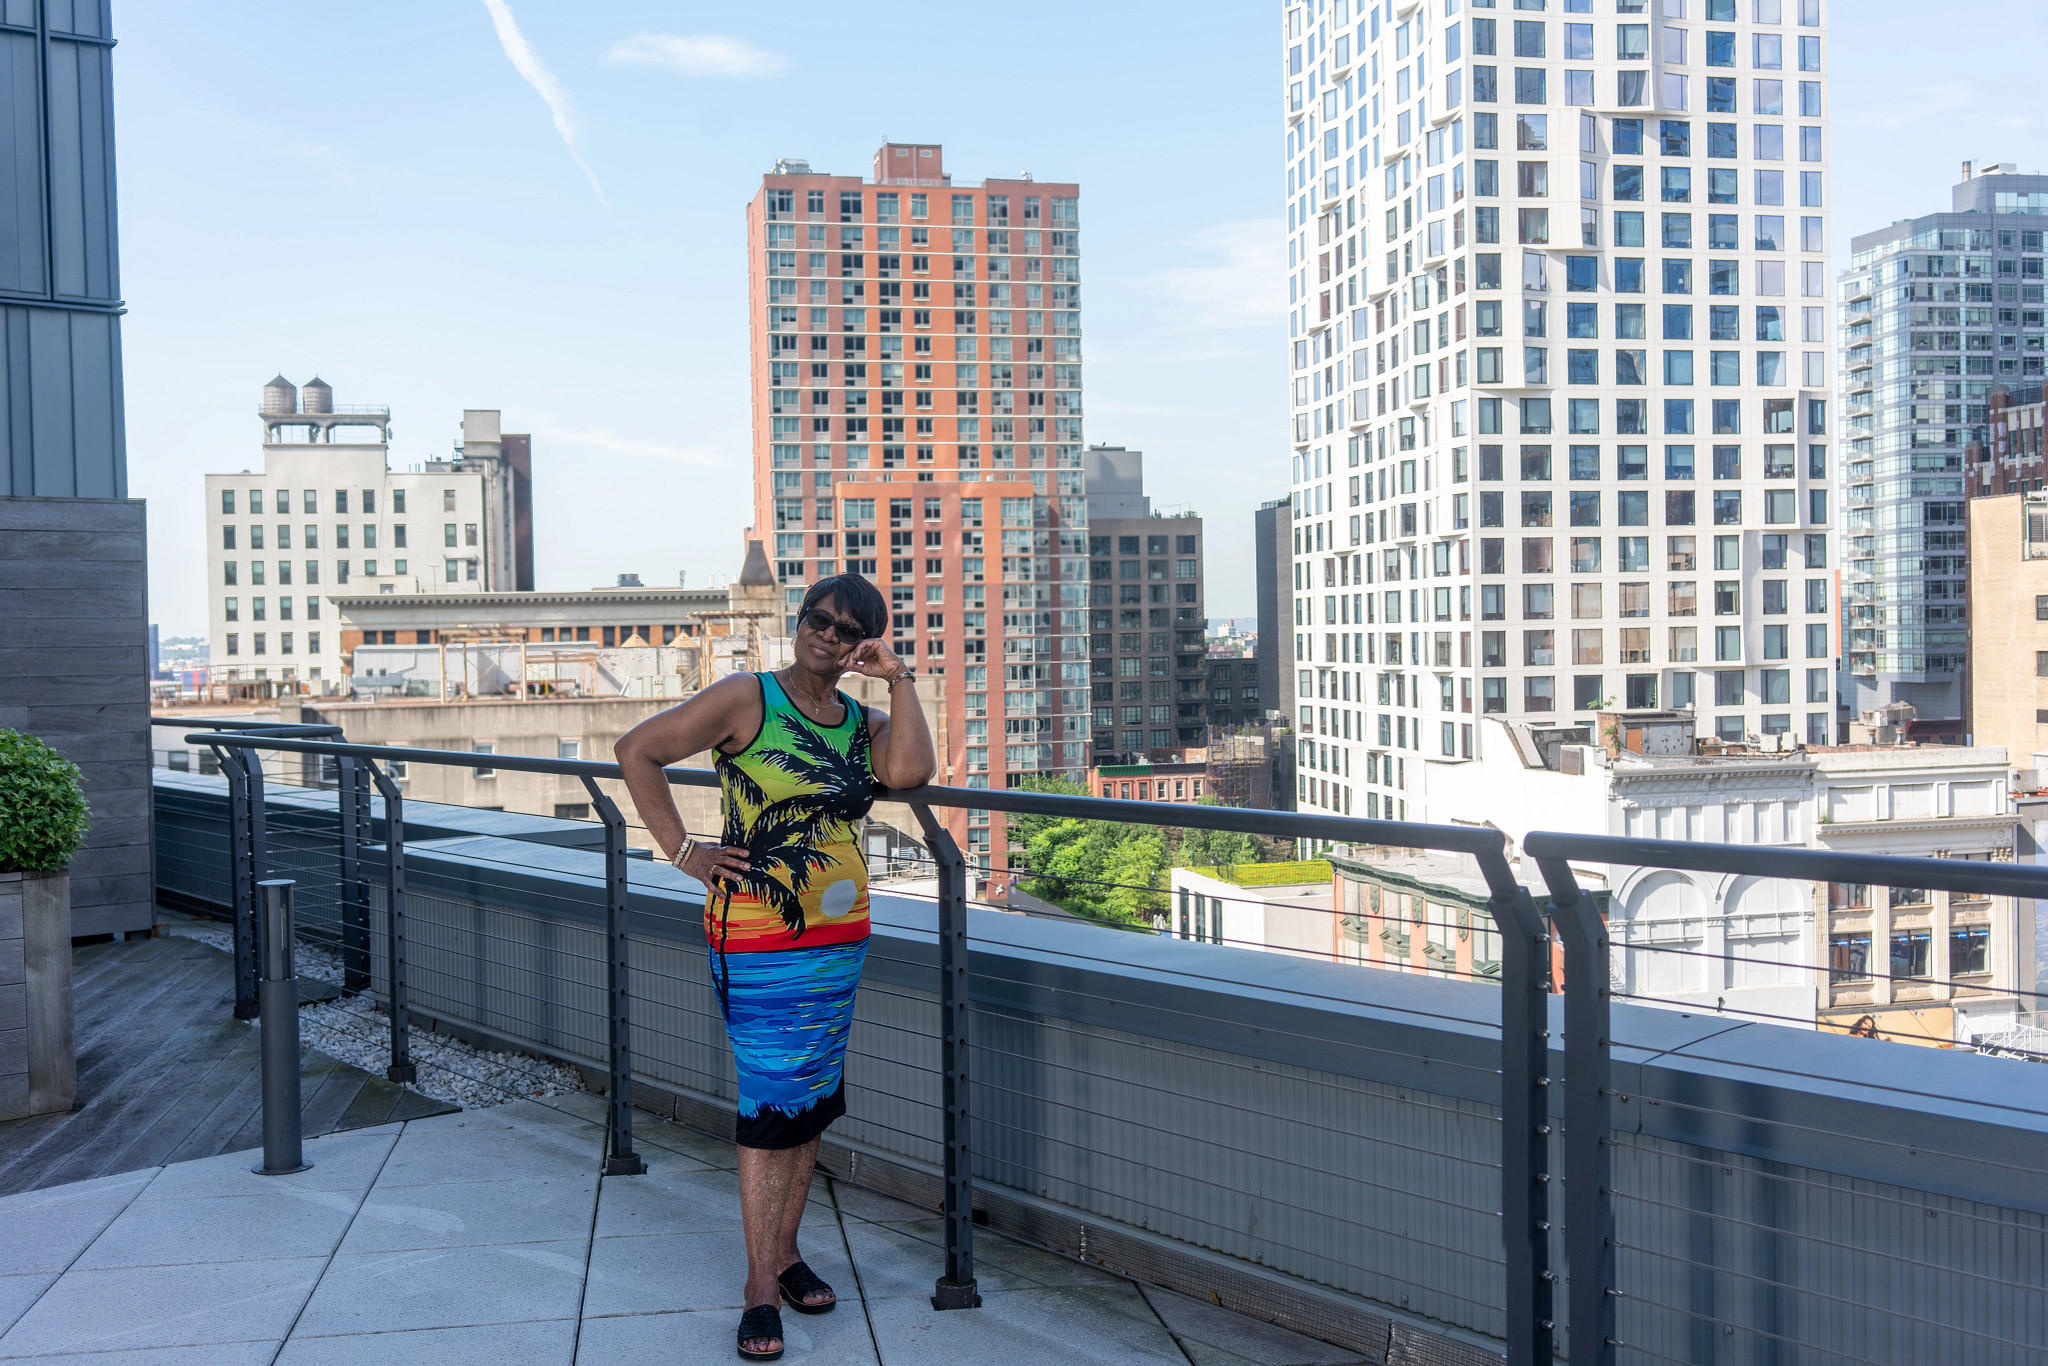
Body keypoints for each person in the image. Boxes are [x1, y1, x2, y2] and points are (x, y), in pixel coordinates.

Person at [615, 573, 935, 1362]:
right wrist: (686, 853)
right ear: (799, 623)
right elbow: (637, 751)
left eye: (848, 630)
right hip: (758, 938)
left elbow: (912, 774)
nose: (828, 636)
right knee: (770, 1106)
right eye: (818, 621)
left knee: (811, 1102)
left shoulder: (860, 719)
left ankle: (787, 1256)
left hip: (840, 939)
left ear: (864, 643)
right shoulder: (746, 698)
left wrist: (899, 679)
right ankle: (761, 1286)